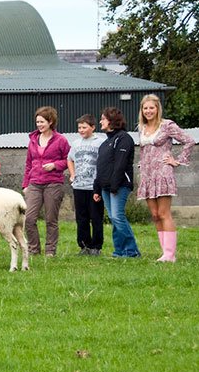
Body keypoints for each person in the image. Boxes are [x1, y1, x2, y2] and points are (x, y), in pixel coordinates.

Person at [136, 94, 195, 262]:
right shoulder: (142, 128)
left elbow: (189, 141)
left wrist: (177, 161)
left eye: (151, 108)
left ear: (157, 108)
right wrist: (142, 164)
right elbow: (143, 151)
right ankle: (164, 253)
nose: (148, 111)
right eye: (145, 108)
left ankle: (170, 254)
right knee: (154, 214)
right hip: (147, 175)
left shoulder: (167, 125)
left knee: (163, 213)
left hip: (162, 173)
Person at [22, 106, 71, 257]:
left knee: (51, 219)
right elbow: (28, 163)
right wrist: (25, 184)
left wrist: (55, 165)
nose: (39, 125)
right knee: (29, 219)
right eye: (37, 122)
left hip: (53, 183)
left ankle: (50, 250)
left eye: (42, 122)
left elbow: (69, 160)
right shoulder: (33, 140)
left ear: (50, 121)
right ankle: (33, 249)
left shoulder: (61, 140)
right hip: (35, 183)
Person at [94, 107, 140, 258]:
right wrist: (97, 188)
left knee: (118, 217)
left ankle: (132, 251)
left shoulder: (124, 138)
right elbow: (100, 167)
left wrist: (114, 185)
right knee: (114, 218)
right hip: (105, 187)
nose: (100, 121)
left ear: (112, 121)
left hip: (119, 186)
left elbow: (120, 164)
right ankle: (119, 251)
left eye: (103, 118)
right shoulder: (105, 143)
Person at [67, 114, 106, 256]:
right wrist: (72, 174)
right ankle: (84, 246)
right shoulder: (76, 143)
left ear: (93, 127)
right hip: (79, 186)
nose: (81, 130)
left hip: (93, 186)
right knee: (81, 218)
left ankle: (96, 246)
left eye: (84, 127)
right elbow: (69, 159)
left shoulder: (100, 142)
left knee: (96, 217)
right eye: (79, 128)